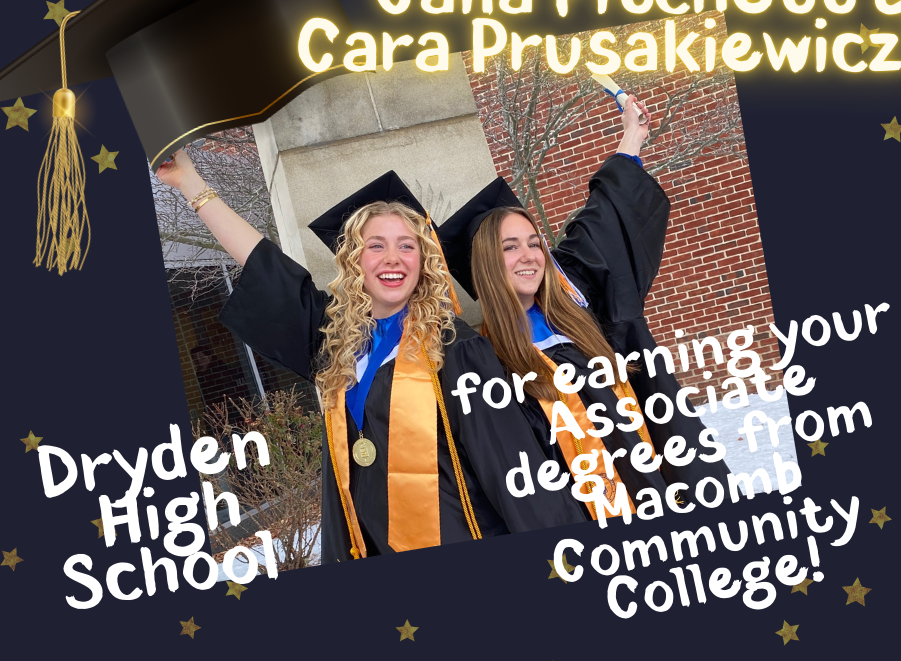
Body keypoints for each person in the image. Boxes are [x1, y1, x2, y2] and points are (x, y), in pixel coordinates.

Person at [155, 153, 585, 562]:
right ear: (353, 260)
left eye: (407, 246)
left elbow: (513, 467)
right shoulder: (339, 342)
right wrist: (189, 182)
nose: (393, 258)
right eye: (375, 245)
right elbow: (265, 267)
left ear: (424, 260)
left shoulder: (455, 346)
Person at [438, 95, 730, 520]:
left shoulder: (580, 306)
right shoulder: (485, 364)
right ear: (485, 264)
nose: (529, 256)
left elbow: (605, 220)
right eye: (509, 247)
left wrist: (632, 135)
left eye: (534, 243)